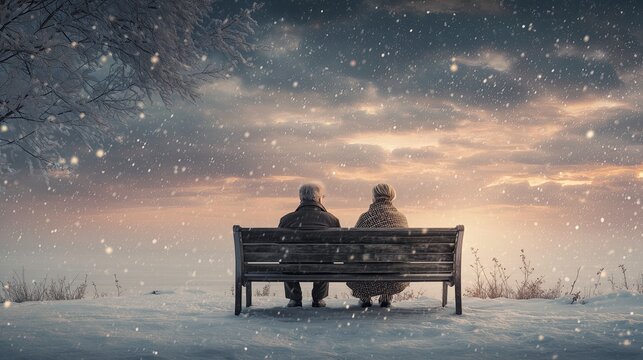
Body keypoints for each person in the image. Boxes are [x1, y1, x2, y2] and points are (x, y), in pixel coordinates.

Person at [346, 183, 410, 308]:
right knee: (392, 260)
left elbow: (353, 244)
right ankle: (386, 296)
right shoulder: (401, 218)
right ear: (392, 197)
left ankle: (365, 298)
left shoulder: (365, 218)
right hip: (395, 277)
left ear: (373, 197)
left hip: (367, 276)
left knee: (358, 259)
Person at [279, 183, 341, 308]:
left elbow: (279, 248)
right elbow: (338, 248)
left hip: (294, 267)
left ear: (300, 199)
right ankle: (318, 298)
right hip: (321, 267)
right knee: (326, 259)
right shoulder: (332, 220)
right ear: (318, 199)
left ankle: (294, 298)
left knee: (287, 260)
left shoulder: (286, 220)